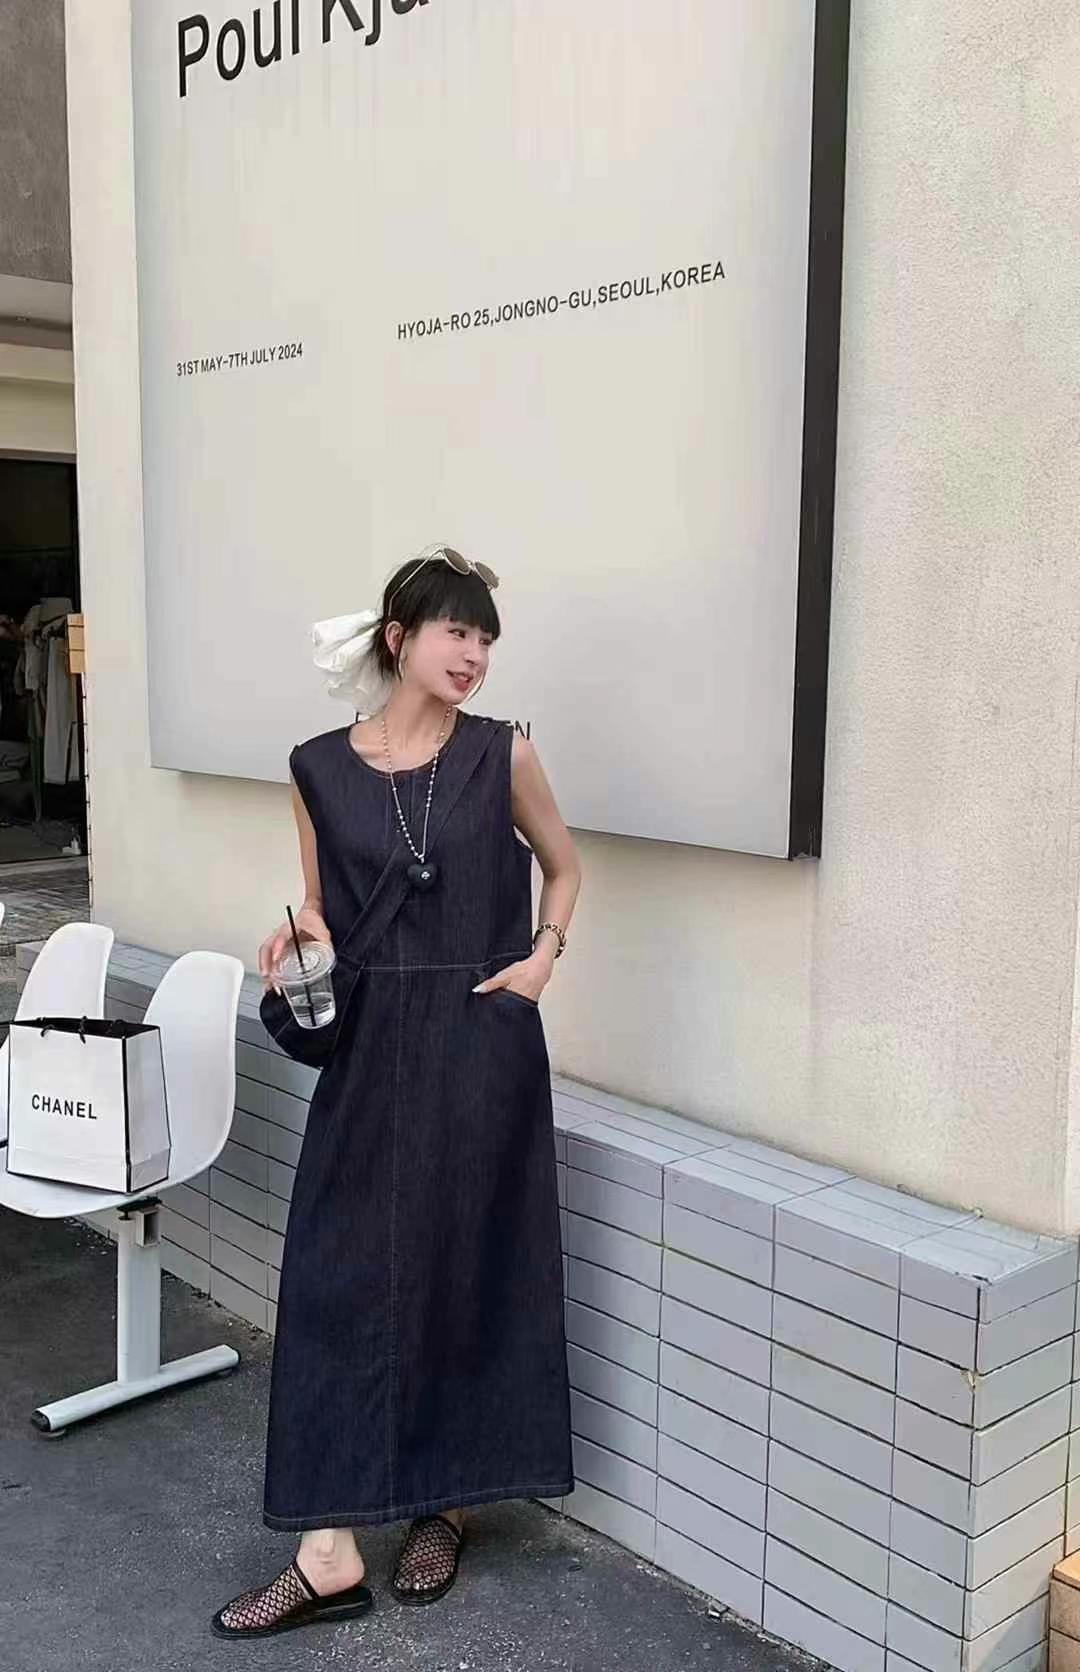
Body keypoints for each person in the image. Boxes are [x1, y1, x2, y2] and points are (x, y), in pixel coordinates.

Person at [212, 545, 582, 1639]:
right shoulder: (316, 767)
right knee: (337, 1278)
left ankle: (443, 1506)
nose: (474, 655)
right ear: (398, 638)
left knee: (462, 1267)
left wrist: (542, 959)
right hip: (372, 1045)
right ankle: (326, 1552)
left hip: (479, 1039)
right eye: (456, 632)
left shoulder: (505, 754)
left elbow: (564, 866)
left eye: (486, 639)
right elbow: (322, 908)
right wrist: (296, 939)